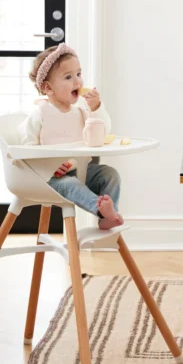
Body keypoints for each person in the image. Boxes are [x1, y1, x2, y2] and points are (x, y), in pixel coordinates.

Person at [18, 43, 124, 230]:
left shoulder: (82, 110)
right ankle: (100, 210)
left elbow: (103, 131)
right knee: (71, 184)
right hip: (52, 177)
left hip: (82, 169)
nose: (77, 82)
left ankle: (108, 215)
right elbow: (27, 149)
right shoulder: (40, 114)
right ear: (48, 88)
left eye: (79, 74)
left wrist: (96, 108)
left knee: (110, 175)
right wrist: (48, 164)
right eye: (68, 77)